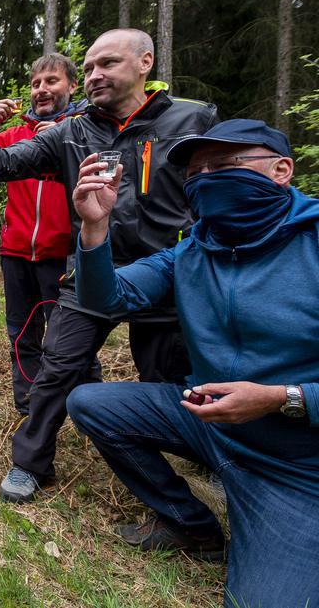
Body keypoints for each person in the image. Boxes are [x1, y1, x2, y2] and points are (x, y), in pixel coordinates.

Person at [0, 28, 218, 502]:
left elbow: (221, 191)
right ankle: (30, 462)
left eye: (107, 64)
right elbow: (4, 165)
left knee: (173, 374)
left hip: (170, 272)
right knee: (58, 364)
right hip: (93, 268)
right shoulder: (73, 132)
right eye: (89, 67)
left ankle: (209, 454)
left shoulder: (193, 120)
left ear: (145, 62)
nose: (94, 75)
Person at [66, 119, 319, 608]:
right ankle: (192, 526)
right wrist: (95, 227)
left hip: (297, 465)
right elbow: (108, 298)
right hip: (210, 422)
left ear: (281, 170)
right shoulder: (192, 250)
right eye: (194, 172)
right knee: (91, 402)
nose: (203, 178)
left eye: (222, 166)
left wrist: (281, 398)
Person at [0, 53, 87, 415]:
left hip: (64, 254)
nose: (42, 90)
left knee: (72, 338)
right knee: (22, 333)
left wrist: (62, 139)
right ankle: (29, 406)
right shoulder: (17, 134)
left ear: (73, 86)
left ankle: (87, 404)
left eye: (52, 82)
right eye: (36, 84)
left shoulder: (85, 129)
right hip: (16, 252)